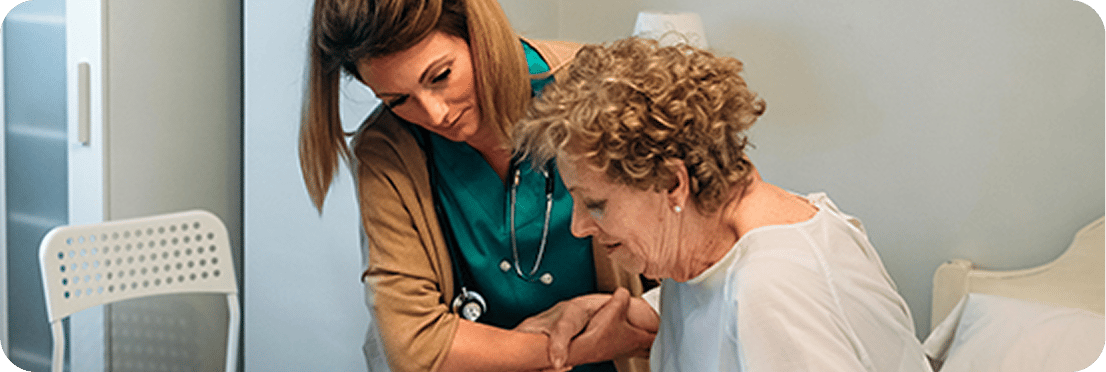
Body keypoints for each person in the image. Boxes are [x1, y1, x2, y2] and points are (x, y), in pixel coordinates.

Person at [514, 37, 933, 372]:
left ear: (673, 183)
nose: (579, 226)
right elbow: (713, 314)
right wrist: (624, 314)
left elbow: (758, 312)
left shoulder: (772, 287)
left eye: (597, 205)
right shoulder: (710, 239)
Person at [298, 1, 658, 371]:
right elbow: (415, 345)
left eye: (440, 76)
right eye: (398, 100)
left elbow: (690, 264)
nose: (435, 115)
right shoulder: (389, 149)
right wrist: (577, 349)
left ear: (477, 31)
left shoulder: (600, 90)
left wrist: (618, 318)